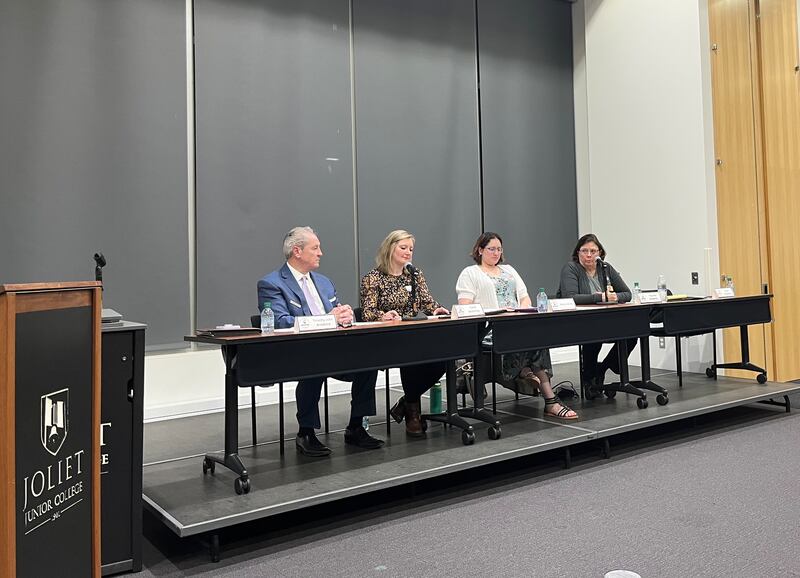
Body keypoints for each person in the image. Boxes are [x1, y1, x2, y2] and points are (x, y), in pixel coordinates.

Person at [258, 226, 384, 457]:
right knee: (313, 363)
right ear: (297, 251)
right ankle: (306, 432)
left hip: (334, 347)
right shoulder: (272, 284)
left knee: (368, 361)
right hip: (297, 352)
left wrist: (346, 315)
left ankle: (356, 427)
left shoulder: (324, 282)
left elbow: (336, 314)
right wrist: (328, 318)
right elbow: (282, 323)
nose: (321, 253)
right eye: (315, 248)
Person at [455, 232, 578, 420]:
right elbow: (465, 306)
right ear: (480, 250)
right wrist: (495, 311)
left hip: (515, 323)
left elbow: (524, 296)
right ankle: (527, 375)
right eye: (491, 249)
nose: (496, 253)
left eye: (499, 249)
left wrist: (522, 311)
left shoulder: (509, 270)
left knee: (538, 338)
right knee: (517, 338)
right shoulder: (470, 273)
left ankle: (547, 398)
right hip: (488, 329)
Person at [359, 230, 450, 437]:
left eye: (411, 249)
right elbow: (368, 313)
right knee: (413, 357)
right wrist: (384, 316)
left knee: (443, 357)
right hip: (384, 336)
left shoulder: (414, 275)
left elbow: (428, 303)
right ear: (390, 248)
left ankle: (407, 402)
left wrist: (437, 309)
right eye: (403, 247)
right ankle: (412, 414)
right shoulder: (373, 278)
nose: (408, 252)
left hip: (411, 333)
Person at [557, 233, 636, 393]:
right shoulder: (571, 268)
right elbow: (570, 297)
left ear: (599, 252)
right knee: (593, 336)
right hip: (578, 321)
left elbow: (627, 294)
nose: (588, 255)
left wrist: (615, 297)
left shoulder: (605, 268)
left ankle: (605, 367)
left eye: (593, 251)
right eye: (584, 251)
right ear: (577, 252)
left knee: (633, 332)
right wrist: (600, 296)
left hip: (605, 319)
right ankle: (590, 379)